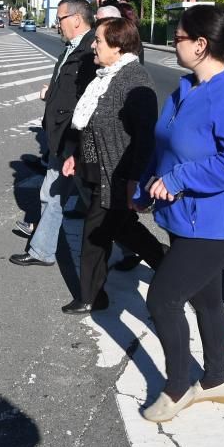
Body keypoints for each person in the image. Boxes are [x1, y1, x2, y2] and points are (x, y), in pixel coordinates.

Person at [135, 5, 224, 423]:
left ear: (201, 44)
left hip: (216, 225)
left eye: (178, 38)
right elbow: (165, 145)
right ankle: (216, 381)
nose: (175, 43)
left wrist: (178, 179)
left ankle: (176, 388)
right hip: (183, 219)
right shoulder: (184, 87)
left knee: (163, 298)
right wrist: (144, 188)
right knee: (207, 299)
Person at [60, 17, 163, 314]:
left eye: (99, 42)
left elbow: (145, 139)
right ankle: (167, 264)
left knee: (95, 237)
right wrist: (76, 157)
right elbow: (93, 126)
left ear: (117, 47)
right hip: (99, 172)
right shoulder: (105, 75)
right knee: (124, 230)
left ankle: (91, 296)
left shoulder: (134, 80)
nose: (93, 45)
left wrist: (134, 180)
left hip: (117, 177)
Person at [10, 0, 97, 266]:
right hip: (63, 135)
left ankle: (138, 247)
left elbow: (89, 97)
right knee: (56, 194)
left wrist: (77, 139)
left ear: (76, 20)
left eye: (60, 19)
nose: (56, 24)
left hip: (76, 138)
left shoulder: (91, 51)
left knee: (96, 202)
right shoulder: (72, 48)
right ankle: (43, 251)